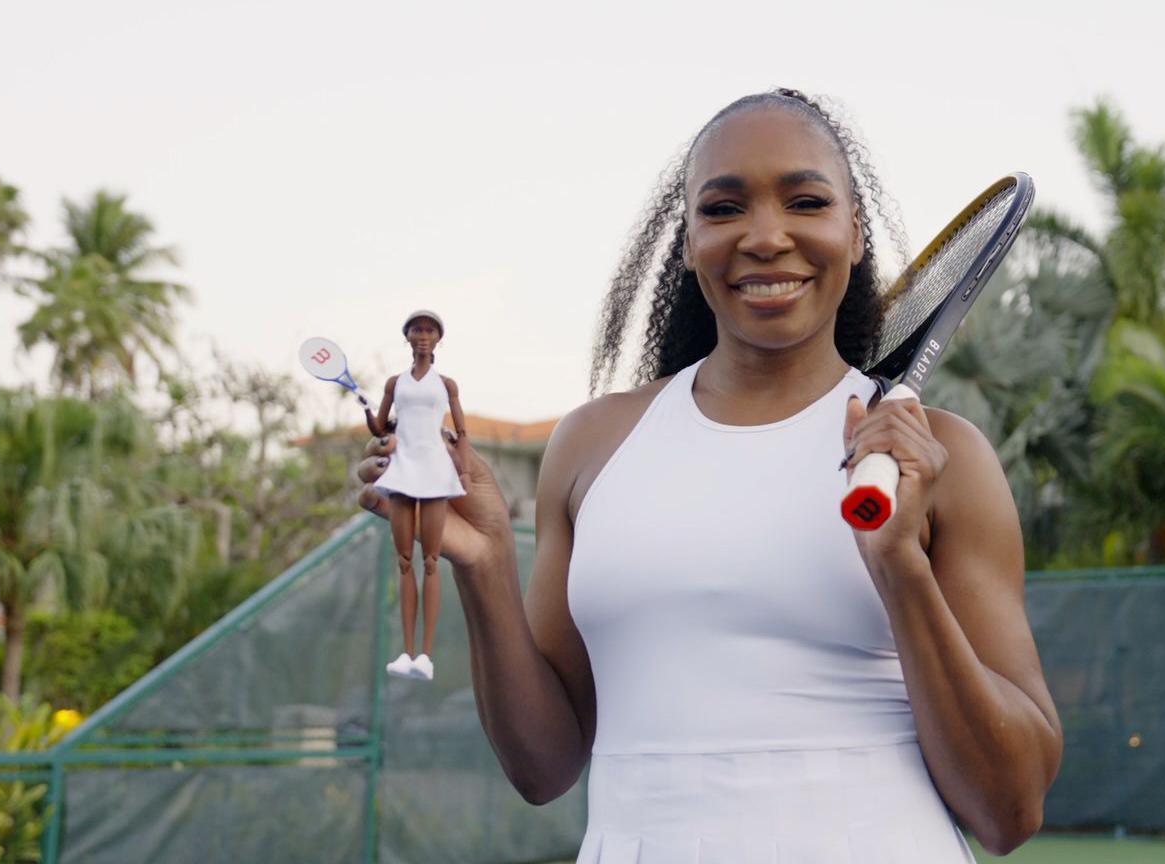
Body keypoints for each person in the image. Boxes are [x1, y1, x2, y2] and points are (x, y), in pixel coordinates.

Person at [358, 89, 1061, 861]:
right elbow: (542, 768)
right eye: (724, 209)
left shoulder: (943, 462)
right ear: (689, 242)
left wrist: (898, 566)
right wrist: (487, 563)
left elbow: (1010, 809)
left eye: (806, 200)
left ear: (854, 231)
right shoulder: (592, 445)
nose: (765, 236)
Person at [366, 309, 468, 682]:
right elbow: (380, 425)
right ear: (407, 336)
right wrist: (368, 414)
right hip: (403, 468)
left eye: (430, 330)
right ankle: (406, 653)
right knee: (405, 559)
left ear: (439, 339)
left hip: (436, 470)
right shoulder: (395, 383)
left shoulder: (447, 385)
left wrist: (466, 470)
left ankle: (426, 655)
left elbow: (461, 430)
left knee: (431, 559)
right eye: (417, 330)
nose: (423, 335)